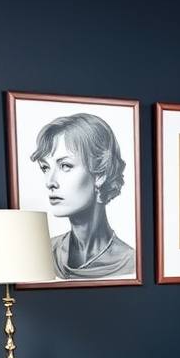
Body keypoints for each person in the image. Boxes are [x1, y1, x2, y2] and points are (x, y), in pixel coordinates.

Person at [30, 111, 136, 280]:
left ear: (100, 173)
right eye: (45, 168)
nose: (50, 182)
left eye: (65, 165)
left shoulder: (130, 261)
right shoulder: (45, 252)